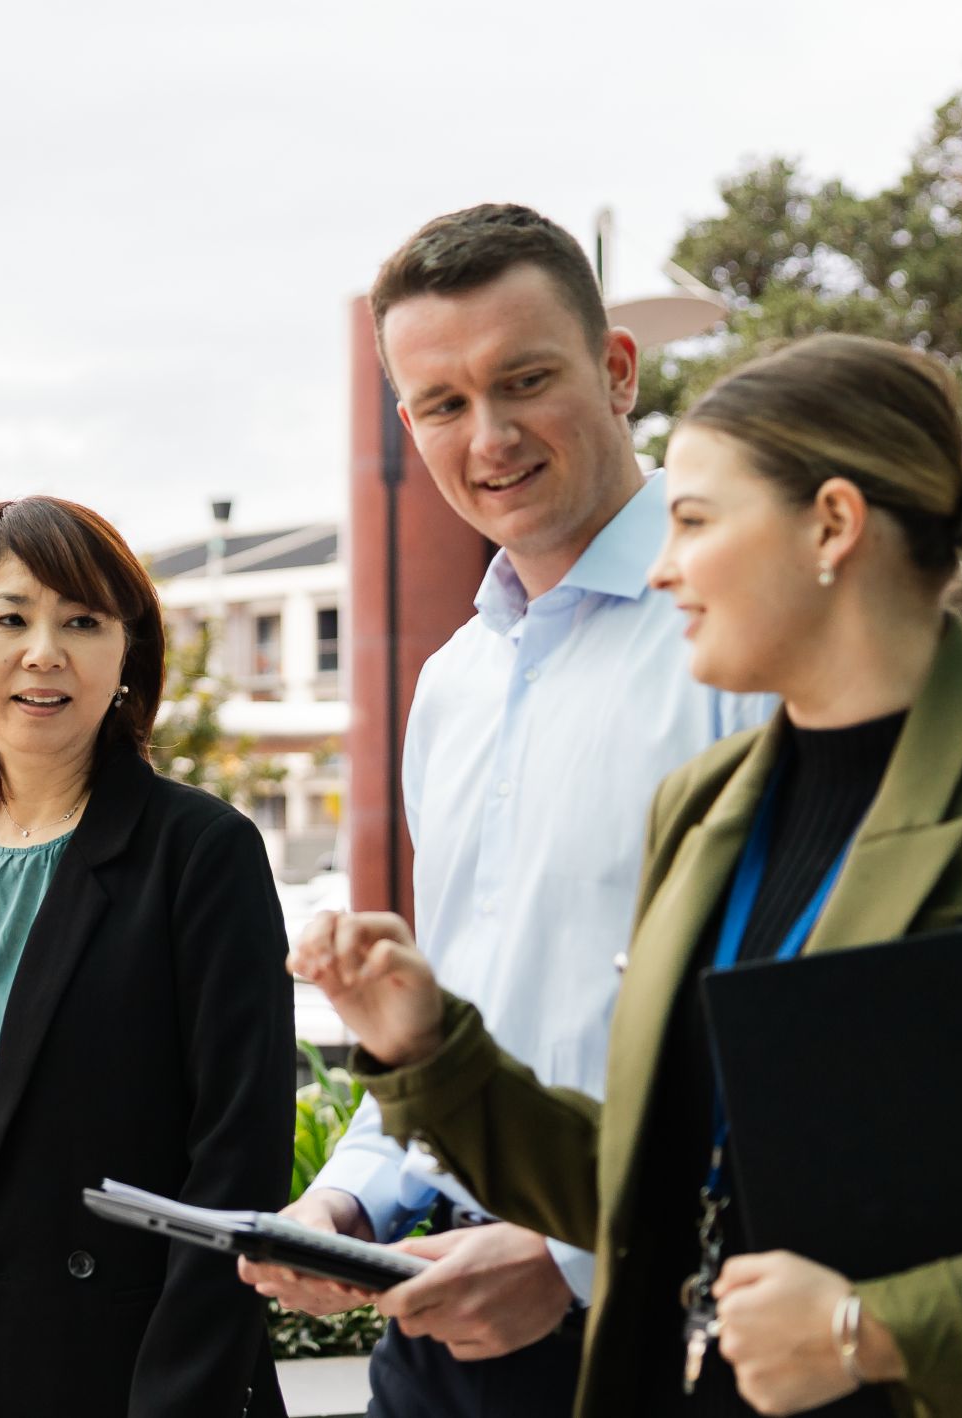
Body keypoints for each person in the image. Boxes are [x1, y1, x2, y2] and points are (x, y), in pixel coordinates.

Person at [295, 334, 962, 1418]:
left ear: (830, 524)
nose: (656, 565)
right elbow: (668, 1183)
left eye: (691, 521)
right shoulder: (701, 806)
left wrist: (869, 1330)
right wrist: (429, 1050)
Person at [239, 203, 770, 1418]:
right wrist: (350, 1200)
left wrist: (572, 1258)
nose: (487, 437)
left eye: (523, 380)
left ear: (617, 369)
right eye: (439, 404)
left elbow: (786, 1036)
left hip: (658, 1329)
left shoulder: (735, 641)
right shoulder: (454, 682)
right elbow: (460, 1013)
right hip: (438, 1320)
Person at [0, 496, 293, 1418]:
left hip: (120, 1375)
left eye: (82, 621)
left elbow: (239, 1161)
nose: (45, 651)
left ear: (127, 658)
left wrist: (179, 1394)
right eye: (9, 618)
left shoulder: (200, 850)